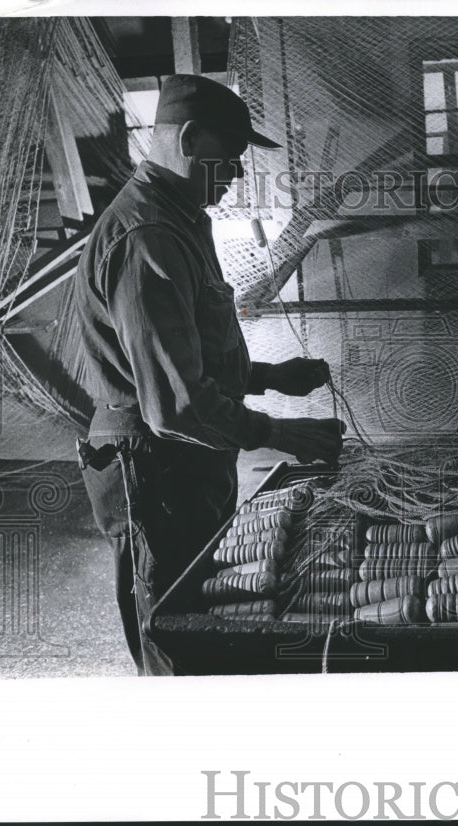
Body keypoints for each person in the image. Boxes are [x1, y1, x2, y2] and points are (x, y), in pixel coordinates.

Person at [73, 74, 345, 675]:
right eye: (232, 158)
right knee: (175, 629)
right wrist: (284, 435)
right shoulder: (148, 236)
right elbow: (174, 405)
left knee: (207, 610)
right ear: (190, 141)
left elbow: (189, 358)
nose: (239, 175)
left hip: (184, 463)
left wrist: (273, 375)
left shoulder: (181, 220)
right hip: (154, 468)